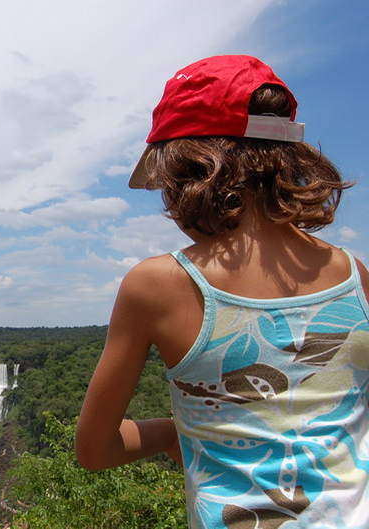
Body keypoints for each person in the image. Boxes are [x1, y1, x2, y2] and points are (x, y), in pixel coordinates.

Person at [75, 54, 369, 527]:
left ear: (187, 172)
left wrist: (175, 431)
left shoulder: (157, 285)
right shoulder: (353, 273)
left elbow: (94, 449)